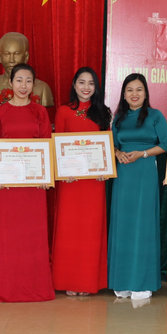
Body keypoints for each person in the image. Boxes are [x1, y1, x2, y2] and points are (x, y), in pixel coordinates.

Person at [0, 64, 54, 302]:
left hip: (33, 187)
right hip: (8, 187)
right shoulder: (0, 112)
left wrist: (46, 176)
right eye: (19, 80)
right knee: (9, 236)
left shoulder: (40, 112)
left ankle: (35, 287)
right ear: (10, 83)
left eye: (28, 81)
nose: (23, 86)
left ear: (34, 85)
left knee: (32, 236)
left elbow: (46, 144)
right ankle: (6, 288)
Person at [108, 73, 167, 301]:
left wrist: (142, 153)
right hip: (123, 175)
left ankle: (143, 282)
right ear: (124, 94)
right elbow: (111, 144)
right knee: (123, 224)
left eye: (139, 90)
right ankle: (122, 280)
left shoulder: (155, 115)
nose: (134, 94)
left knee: (143, 225)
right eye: (130, 90)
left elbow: (165, 144)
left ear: (146, 93)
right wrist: (117, 153)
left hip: (145, 172)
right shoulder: (119, 118)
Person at [52, 67, 111, 296]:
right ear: (74, 85)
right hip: (70, 180)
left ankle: (86, 281)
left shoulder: (103, 112)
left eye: (91, 83)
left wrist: (105, 168)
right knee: (69, 229)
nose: (86, 87)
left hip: (94, 182)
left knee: (90, 230)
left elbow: (106, 145)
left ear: (96, 88)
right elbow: (57, 144)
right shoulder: (64, 111)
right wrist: (63, 169)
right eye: (82, 82)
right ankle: (68, 279)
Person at [0, 32, 54, 108]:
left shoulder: (42, 88)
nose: (11, 60)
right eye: (7, 54)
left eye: (17, 54)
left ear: (26, 56)